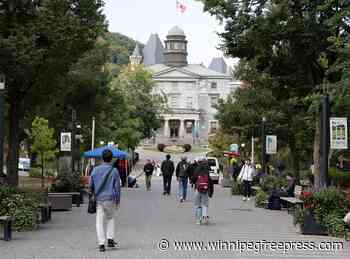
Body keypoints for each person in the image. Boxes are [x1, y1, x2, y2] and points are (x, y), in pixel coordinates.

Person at [89, 149, 121, 252]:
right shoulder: (114, 170)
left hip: (98, 199)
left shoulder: (95, 170)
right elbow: (117, 187)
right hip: (110, 198)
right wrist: (118, 200)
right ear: (111, 159)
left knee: (99, 221)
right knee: (110, 218)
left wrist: (92, 194)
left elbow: (90, 186)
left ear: (102, 158)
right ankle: (110, 239)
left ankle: (101, 244)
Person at [192, 157, 214, 225]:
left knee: (198, 205)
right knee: (205, 204)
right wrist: (211, 192)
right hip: (205, 189)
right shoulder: (207, 170)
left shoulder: (197, 169)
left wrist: (193, 182)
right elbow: (210, 182)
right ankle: (205, 217)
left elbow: (193, 178)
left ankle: (198, 220)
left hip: (198, 189)